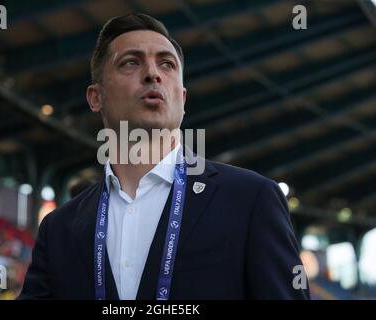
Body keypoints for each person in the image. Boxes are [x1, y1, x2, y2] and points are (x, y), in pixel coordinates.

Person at [18, 13, 310, 300]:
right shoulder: (58, 229)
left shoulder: (251, 200)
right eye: (131, 62)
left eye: (167, 64)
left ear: (182, 100)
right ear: (96, 97)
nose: (153, 73)